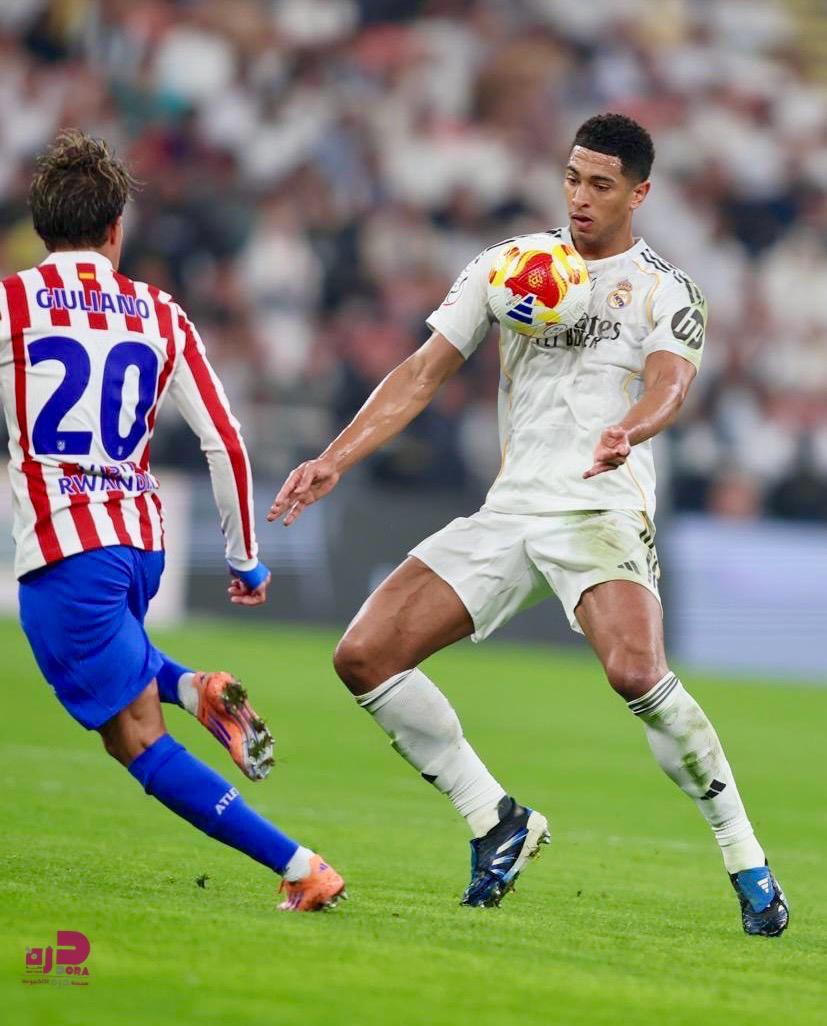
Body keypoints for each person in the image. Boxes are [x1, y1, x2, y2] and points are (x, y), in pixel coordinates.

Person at [270, 113, 787, 935]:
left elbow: (669, 384)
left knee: (635, 673)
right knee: (363, 656)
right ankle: (496, 819)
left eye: (600, 185)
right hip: (511, 509)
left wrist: (631, 431)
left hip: (599, 505)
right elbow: (421, 372)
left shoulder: (666, 287)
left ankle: (745, 859)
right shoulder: (509, 268)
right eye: (572, 178)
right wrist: (336, 457)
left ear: (638, 194)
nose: (580, 197)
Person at [0, 130, 344, 912]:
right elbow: (225, 439)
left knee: (134, 740)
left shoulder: (11, 302)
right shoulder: (160, 312)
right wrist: (244, 557)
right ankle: (194, 688)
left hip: (65, 546)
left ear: (41, 225)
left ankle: (300, 867)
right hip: (138, 545)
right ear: (115, 228)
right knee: (121, 663)